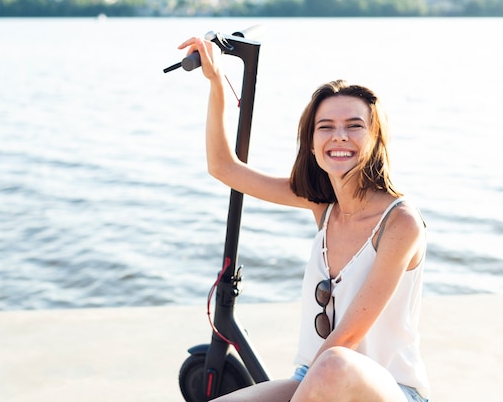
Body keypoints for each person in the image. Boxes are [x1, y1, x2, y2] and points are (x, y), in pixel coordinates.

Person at [177, 36, 431, 402]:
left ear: (376, 137)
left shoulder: (400, 222)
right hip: (312, 377)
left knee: (334, 363)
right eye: (325, 126)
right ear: (311, 144)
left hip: (390, 390)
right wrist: (216, 82)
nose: (339, 136)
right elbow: (223, 167)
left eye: (354, 125)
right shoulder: (323, 207)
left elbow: (344, 340)